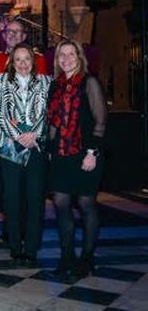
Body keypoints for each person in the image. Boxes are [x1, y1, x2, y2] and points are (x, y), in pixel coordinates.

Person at [47, 39, 106, 278]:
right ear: (57, 59)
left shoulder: (89, 82)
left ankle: (88, 257)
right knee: (61, 204)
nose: (67, 58)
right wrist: (50, 148)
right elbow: (53, 122)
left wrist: (92, 152)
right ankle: (67, 256)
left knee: (86, 204)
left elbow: (100, 121)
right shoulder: (55, 85)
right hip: (61, 154)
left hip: (86, 153)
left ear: (79, 57)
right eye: (62, 55)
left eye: (72, 54)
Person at [0, 43, 51, 264]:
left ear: (33, 61)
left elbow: (47, 114)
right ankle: (15, 245)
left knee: (35, 197)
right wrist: (20, 135)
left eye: (27, 59)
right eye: (18, 59)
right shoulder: (1, 80)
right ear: (12, 62)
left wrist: (34, 135)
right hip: (9, 145)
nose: (23, 64)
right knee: (12, 196)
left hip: (36, 146)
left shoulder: (46, 82)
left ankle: (32, 246)